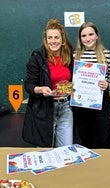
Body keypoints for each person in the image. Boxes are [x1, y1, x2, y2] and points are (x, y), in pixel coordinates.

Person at [23, 18, 74, 147]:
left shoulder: (69, 57)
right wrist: (40, 89)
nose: (53, 41)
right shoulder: (37, 57)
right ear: (45, 40)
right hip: (44, 109)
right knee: (45, 154)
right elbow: (28, 85)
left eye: (56, 37)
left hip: (65, 108)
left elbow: (74, 81)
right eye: (49, 37)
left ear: (62, 39)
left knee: (66, 152)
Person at [72, 22, 110, 149]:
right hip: (80, 104)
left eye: (91, 34)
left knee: (102, 138)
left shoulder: (107, 54)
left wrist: (107, 84)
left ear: (97, 36)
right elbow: (70, 78)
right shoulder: (75, 55)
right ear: (80, 38)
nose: (88, 38)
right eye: (84, 35)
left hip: (101, 103)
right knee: (84, 139)